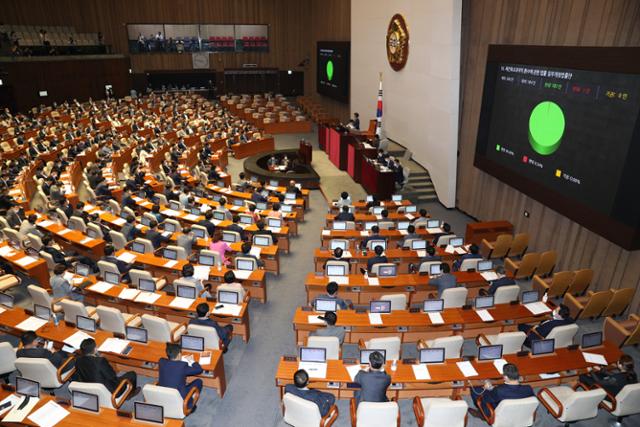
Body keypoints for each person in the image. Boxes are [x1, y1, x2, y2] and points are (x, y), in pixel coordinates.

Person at [74, 338, 139, 396]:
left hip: (91, 389)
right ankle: (130, 394)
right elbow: (112, 376)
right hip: (111, 392)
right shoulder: (100, 361)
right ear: (95, 349)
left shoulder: (78, 360)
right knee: (132, 374)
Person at [469, 363, 534, 418]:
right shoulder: (528, 388)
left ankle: (482, 414)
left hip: (500, 414)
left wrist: (489, 388)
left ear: (505, 377)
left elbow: (485, 399)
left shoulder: (499, 391)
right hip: (521, 414)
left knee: (476, 388)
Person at [159, 343, 203, 408]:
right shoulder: (182, 366)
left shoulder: (161, 361)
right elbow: (199, 370)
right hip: (181, 397)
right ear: (179, 354)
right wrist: (192, 361)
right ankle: (190, 402)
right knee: (199, 381)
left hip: (164, 394)